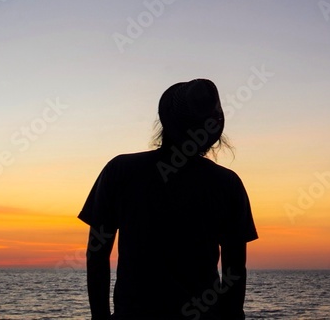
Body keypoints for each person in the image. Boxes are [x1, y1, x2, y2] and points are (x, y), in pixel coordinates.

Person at [78, 78, 257, 320]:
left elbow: (97, 255)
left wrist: (100, 318)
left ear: (165, 122)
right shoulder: (226, 184)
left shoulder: (120, 171)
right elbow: (234, 271)